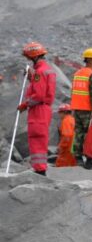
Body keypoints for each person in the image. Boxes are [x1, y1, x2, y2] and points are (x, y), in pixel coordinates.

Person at [17, 42, 56, 175]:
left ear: (34, 56)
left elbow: (38, 95)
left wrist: (25, 104)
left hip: (38, 110)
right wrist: (31, 78)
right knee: (41, 139)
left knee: (36, 139)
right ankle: (41, 167)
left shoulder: (39, 72)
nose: (28, 60)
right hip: (44, 110)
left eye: (29, 57)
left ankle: (40, 170)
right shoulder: (46, 69)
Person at [71, 48, 92, 169]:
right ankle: (91, 160)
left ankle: (77, 158)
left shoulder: (77, 73)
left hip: (77, 108)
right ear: (90, 60)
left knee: (79, 133)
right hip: (88, 109)